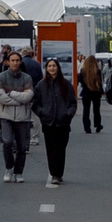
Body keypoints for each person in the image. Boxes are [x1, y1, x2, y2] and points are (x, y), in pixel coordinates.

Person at [32, 55, 78, 186]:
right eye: (49, 66)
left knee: (61, 149)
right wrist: (42, 113)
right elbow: (35, 103)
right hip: (48, 122)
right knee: (52, 149)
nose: (52, 68)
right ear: (46, 69)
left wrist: (69, 113)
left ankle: (59, 173)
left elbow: (73, 103)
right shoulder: (41, 85)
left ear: (58, 68)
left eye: (54, 66)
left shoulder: (65, 84)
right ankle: (54, 174)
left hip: (63, 122)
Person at [0, 50, 36, 182]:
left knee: (22, 146)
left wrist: (11, 93)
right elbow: (1, 97)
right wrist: (19, 100)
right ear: (8, 62)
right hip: (6, 115)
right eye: (12, 60)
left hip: (23, 117)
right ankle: (9, 167)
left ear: (20, 62)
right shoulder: (0, 77)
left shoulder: (27, 78)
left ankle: (18, 172)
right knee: (7, 142)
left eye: (17, 60)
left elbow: (29, 96)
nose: (15, 63)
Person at [78, 53, 104, 133]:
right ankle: (98, 125)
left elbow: (79, 80)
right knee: (96, 110)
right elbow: (99, 83)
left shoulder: (83, 71)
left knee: (86, 110)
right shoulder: (98, 71)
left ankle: (87, 128)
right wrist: (102, 92)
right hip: (96, 92)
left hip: (86, 92)